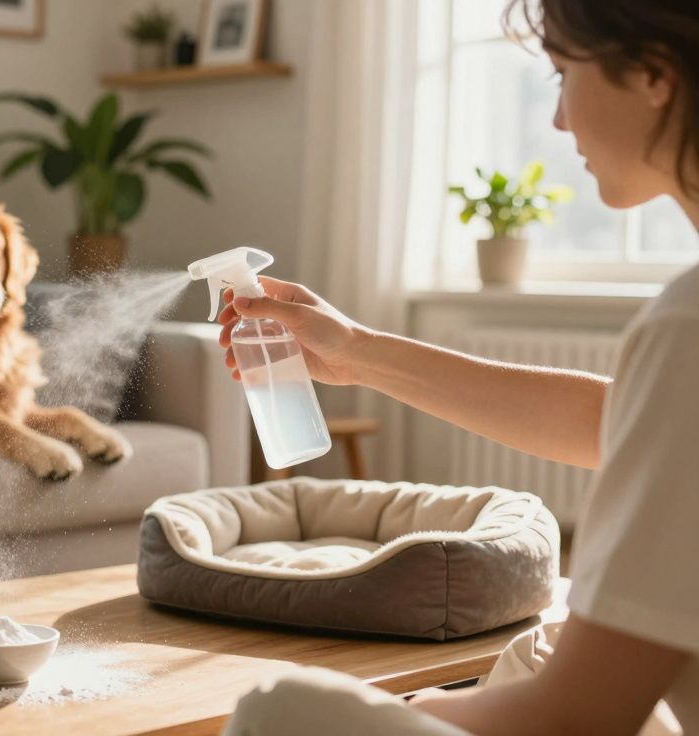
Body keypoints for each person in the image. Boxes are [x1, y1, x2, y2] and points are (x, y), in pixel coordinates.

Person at [218, 0, 699, 733]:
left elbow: (577, 716)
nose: (558, 120)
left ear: (654, 75)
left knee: (278, 709)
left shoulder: (686, 325)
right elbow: (621, 421)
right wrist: (357, 351)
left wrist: (418, 710)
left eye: (563, 74)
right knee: (538, 649)